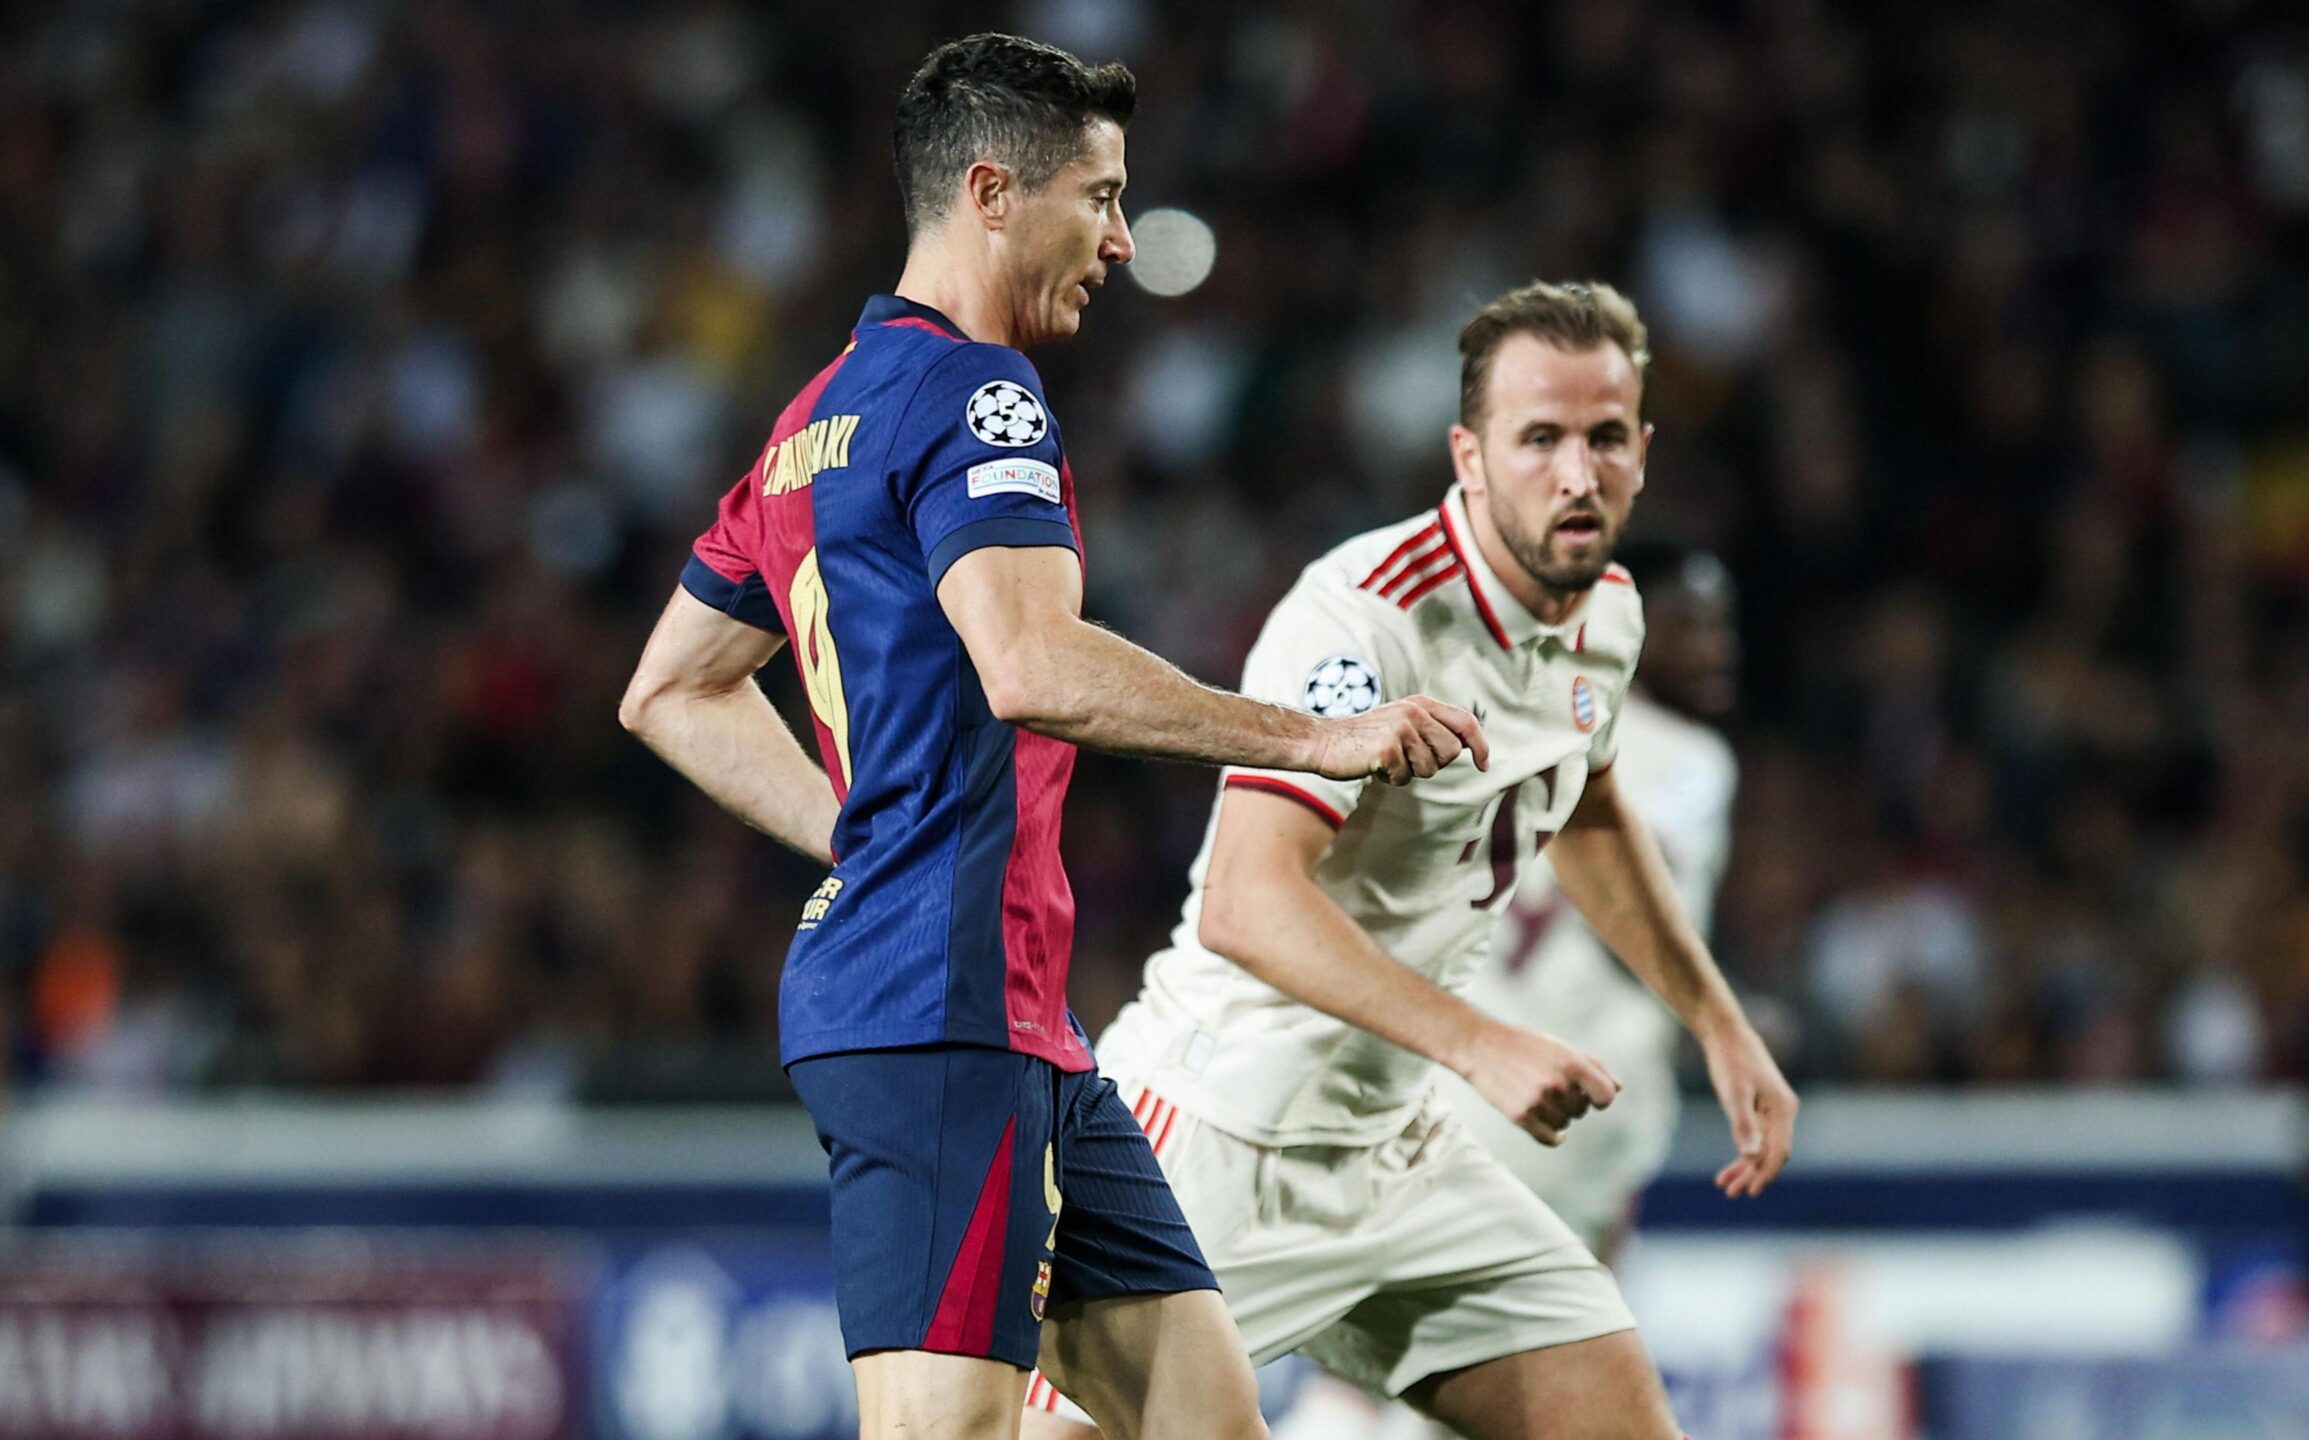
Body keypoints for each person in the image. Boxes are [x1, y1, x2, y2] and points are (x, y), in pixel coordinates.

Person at [617, 34, 1487, 1440]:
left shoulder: (810, 425)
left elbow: (670, 686)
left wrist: (859, 830)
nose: (1124, 241)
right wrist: (1306, 740)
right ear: (992, 193)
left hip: (1010, 1018)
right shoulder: (979, 395)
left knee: (1206, 1420)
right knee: (943, 1429)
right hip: (939, 1006)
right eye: (1100, 197)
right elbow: (1028, 664)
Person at [1020, 281, 1797, 1440]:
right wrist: (1480, 1045)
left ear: (1642, 450)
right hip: (1222, 1136)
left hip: (1395, 1150)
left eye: (1603, 439)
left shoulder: (1611, 617)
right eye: (1539, 438)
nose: (1576, 474)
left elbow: (1579, 804)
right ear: (1468, 456)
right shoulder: (1366, 622)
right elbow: (1244, 900)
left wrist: (1717, 1024)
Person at [1277, 545, 1744, 1440]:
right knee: (1511, 1393)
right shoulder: (1689, 758)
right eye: (1693, 621)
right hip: (1562, 1102)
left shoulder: (1503, 713)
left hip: (1438, 1080)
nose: (1718, 646)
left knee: (1373, 1368)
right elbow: (1641, 938)